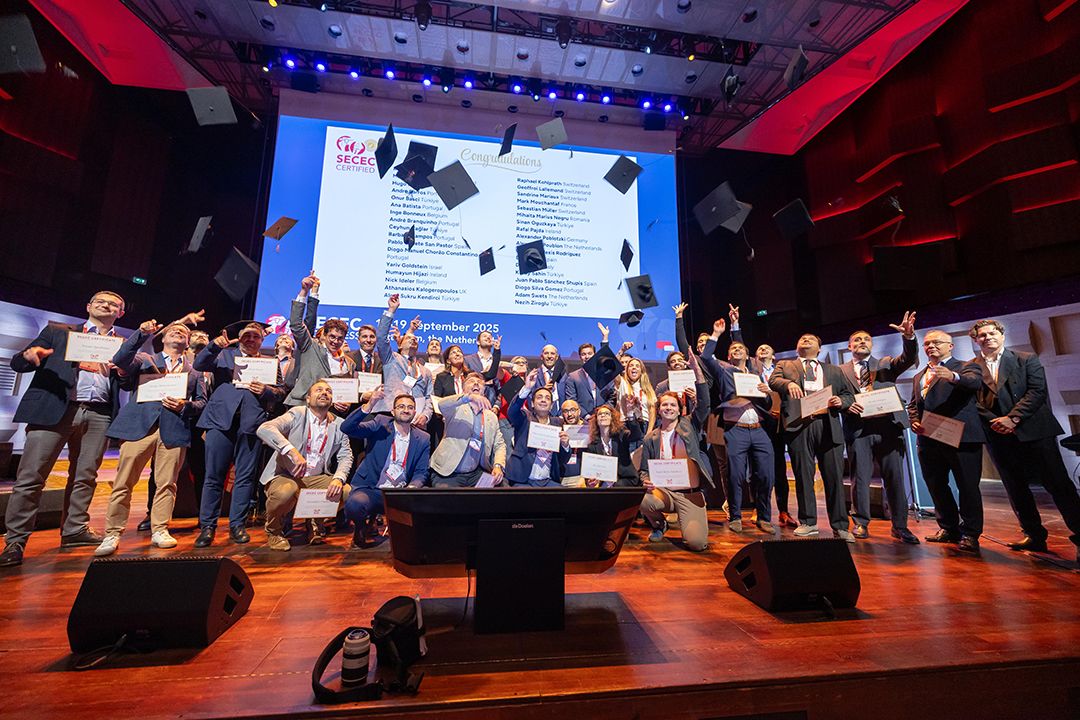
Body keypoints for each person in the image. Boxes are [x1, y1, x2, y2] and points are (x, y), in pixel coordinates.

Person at [1, 291, 128, 567]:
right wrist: (30, 356)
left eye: (113, 304)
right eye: (100, 301)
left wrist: (123, 372)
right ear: (88, 306)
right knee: (32, 476)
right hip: (55, 409)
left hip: (99, 413)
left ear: (120, 313)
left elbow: (126, 383)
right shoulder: (58, 332)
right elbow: (18, 363)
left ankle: (74, 530)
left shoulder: (122, 344)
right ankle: (16, 540)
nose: (106, 305)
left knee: (85, 476)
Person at [970, 319, 1080, 562]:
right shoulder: (971, 368)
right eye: (982, 335)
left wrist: (1013, 418)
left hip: (1034, 431)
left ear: (1002, 335)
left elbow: (1037, 391)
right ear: (976, 340)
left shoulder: (1026, 358)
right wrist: (996, 422)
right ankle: (1033, 534)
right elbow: (972, 401)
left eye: (992, 333)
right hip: (997, 434)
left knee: (1059, 485)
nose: (988, 337)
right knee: (1015, 488)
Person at [94, 320, 207, 556]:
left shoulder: (194, 372)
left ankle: (160, 529)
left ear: (188, 343)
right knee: (124, 482)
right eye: (173, 330)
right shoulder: (145, 359)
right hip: (139, 428)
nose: (178, 332)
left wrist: (185, 406)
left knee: (167, 484)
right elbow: (120, 359)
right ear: (162, 338)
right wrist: (141, 333)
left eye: (184, 332)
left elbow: (201, 403)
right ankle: (112, 533)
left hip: (173, 431)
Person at [193, 322, 286, 547]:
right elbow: (199, 363)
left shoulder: (269, 363)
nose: (251, 339)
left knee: (245, 478)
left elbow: (281, 391)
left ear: (262, 341)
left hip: (251, 426)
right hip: (220, 422)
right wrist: (215, 345)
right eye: (247, 336)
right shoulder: (224, 355)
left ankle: (237, 525)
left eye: (256, 336)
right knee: (213, 476)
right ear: (240, 337)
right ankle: (208, 527)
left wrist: (266, 390)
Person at [840, 313, 920, 543]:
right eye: (857, 340)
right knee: (860, 478)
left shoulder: (885, 364)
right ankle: (861, 523)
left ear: (872, 344)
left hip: (888, 427)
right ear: (849, 346)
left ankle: (900, 526)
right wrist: (847, 405)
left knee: (895, 478)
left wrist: (909, 337)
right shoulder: (839, 371)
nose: (862, 342)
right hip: (858, 429)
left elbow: (907, 358)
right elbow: (837, 396)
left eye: (866, 339)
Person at [769, 333, 855, 541]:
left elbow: (848, 395)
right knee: (803, 476)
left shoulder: (834, 370)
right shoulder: (785, 365)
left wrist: (840, 402)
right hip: (799, 425)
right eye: (802, 339)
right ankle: (808, 522)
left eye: (811, 339)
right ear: (796, 347)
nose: (806, 340)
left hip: (827, 424)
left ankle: (840, 526)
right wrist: (788, 384)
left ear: (819, 348)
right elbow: (773, 380)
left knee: (834, 477)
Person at [907, 329, 985, 554]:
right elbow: (914, 404)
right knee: (936, 484)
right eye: (927, 343)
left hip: (960, 437)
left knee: (967, 486)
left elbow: (973, 383)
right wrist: (914, 420)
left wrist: (953, 377)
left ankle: (970, 533)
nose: (931, 346)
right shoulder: (919, 375)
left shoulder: (966, 366)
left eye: (937, 342)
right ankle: (949, 527)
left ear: (950, 346)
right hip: (929, 438)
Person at [255, 380, 353, 551]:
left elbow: (346, 456)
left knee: (347, 492)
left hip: (316, 478)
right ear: (308, 398)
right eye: (319, 390)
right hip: (286, 475)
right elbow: (264, 428)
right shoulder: (297, 413)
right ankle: (274, 531)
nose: (324, 393)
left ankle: (314, 521)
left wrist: (338, 478)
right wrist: (291, 451)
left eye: (328, 391)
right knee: (286, 491)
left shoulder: (338, 424)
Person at [639, 354, 713, 552]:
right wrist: (646, 481)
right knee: (643, 499)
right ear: (659, 410)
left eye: (673, 405)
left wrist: (697, 372)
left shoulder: (690, 425)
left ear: (680, 410)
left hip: (689, 493)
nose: (668, 408)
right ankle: (659, 525)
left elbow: (704, 403)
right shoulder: (651, 438)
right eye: (664, 405)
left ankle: (689, 518)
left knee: (697, 544)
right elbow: (644, 470)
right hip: (664, 492)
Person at [342, 391, 431, 547]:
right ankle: (361, 527)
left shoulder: (423, 438)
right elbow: (347, 428)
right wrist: (369, 405)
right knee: (355, 505)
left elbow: (421, 472)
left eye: (410, 407)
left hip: (400, 492)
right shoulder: (380, 423)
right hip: (373, 488)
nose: (406, 410)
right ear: (393, 411)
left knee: (429, 501)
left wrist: (411, 488)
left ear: (415, 412)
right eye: (401, 406)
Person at [286, 273, 356, 410]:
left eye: (340, 338)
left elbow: (347, 393)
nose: (336, 341)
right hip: (303, 407)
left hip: (330, 412)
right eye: (332, 337)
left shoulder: (349, 364)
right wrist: (304, 291)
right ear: (324, 335)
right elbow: (296, 324)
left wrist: (346, 403)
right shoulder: (311, 347)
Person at [429, 372, 507, 487]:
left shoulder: (491, 416)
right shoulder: (455, 407)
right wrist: (468, 397)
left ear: (484, 391)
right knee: (450, 497)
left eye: (479, 382)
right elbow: (441, 404)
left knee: (504, 488)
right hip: (448, 473)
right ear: (463, 389)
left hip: (474, 473)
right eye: (471, 381)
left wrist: (498, 465)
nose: (476, 383)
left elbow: (499, 444)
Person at [370, 296, 434, 429]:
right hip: (390, 415)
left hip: (417, 420)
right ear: (399, 344)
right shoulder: (391, 359)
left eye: (415, 339)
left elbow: (429, 397)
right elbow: (381, 338)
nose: (413, 340)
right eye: (408, 338)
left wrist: (426, 415)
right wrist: (391, 310)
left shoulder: (425, 371)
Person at [507, 369, 566, 487]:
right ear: (532, 403)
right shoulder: (524, 418)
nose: (543, 400)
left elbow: (562, 459)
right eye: (539, 397)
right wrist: (527, 388)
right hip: (524, 481)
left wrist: (565, 445)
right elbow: (512, 411)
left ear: (551, 405)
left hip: (548, 481)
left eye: (547, 398)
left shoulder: (558, 423)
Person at [580, 405, 642, 487]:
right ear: (596, 420)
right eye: (600, 414)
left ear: (612, 419)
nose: (603, 415)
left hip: (625, 480)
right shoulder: (593, 444)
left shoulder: (621, 436)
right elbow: (590, 471)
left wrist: (630, 414)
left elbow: (636, 435)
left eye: (607, 413)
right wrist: (590, 481)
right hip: (604, 484)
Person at [608, 357, 657, 445]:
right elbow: (613, 370)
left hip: (644, 424)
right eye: (631, 366)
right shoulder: (622, 384)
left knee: (643, 453)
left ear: (641, 371)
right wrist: (622, 351)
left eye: (637, 366)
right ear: (626, 370)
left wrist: (649, 432)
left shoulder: (648, 389)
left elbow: (652, 412)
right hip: (627, 425)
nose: (634, 367)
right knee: (630, 452)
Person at [464, 330, 501, 403]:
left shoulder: (497, 361)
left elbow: (500, 387)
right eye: (485, 336)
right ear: (478, 342)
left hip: (492, 402)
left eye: (490, 337)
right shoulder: (467, 360)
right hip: (472, 401)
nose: (488, 338)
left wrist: (497, 405)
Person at [557, 400, 586, 485]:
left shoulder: (588, 428)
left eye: (573, 410)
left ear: (579, 411)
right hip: (560, 478)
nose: (569, 414)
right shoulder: (558, 429)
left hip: (581, 478)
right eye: (566, 411)